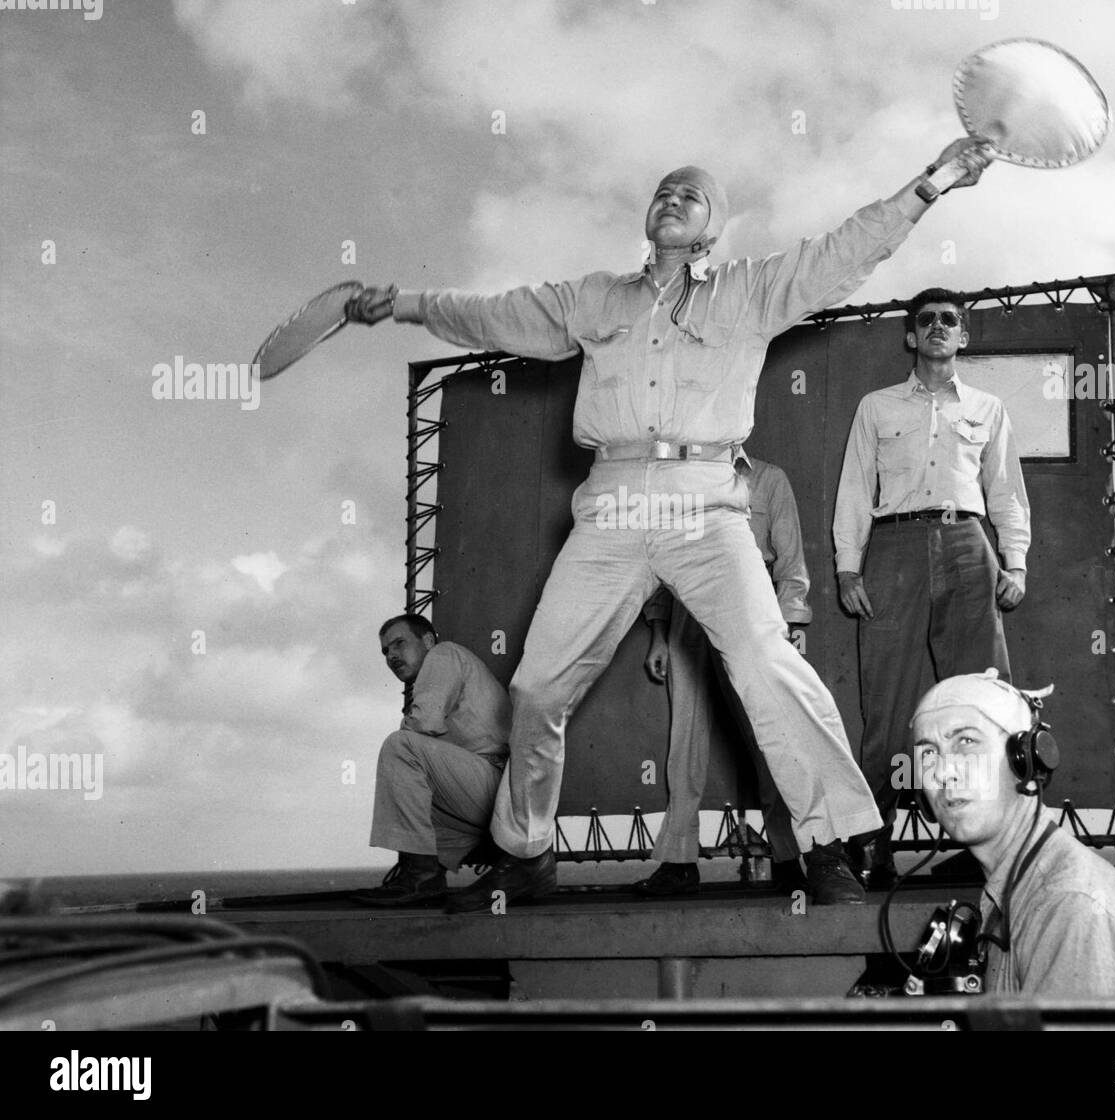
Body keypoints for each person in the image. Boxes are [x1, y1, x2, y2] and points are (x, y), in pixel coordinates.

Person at [346, 139, 995, 911]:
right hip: (613, 502)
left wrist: (936, 181)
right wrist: (409, 305)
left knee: (764, 660)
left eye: (689, 193)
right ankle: (526, 852)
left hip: (706, 500)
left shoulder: (750, 292)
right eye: (662, 191)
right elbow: (497, 315)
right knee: (536, 685)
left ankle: (828, 843)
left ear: (713, 225)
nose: (672, 198)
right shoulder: (596, 299)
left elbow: (846, 250)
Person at [833, 288, 1030, 888]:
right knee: (886, 703)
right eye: (928, 321)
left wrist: (1014, 562)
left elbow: (1005, 490)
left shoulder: (988, 407)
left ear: (962, 337)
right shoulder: (877, 407)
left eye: (951, 320)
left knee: (983, 699)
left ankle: (995, 844)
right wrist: (848, 565)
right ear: (911, 337)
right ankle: (871, 845)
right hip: (893, 547)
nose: (940, 328)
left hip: (968, 545)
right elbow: (853, 489)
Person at [910, 670, 1115, 997]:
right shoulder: (1015, 888)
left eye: (966, 741)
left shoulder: (1070, 907)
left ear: (1026, 761)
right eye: (928, 753)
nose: (942, 771)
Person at [634, 455, 808, 896]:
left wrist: (785, 632)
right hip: (686, 611)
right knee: (684, 741)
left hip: (749, 611)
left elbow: (790, 560)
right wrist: (658, 632)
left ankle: (789, 855)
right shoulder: (678, 479)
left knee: (767, 736)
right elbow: (658, 559)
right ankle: (678, 860)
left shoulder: (770, 479)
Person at [352, 614, 511, 907]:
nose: (392, 656)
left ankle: (421, 877)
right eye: (386, 651)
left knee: (400, 747)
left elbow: (423, 723)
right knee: (411, 776)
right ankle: (422, 877)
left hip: (495, 785)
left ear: (427, 640)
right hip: (482, 799)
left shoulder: (442, 654)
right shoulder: (436, 674)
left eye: (399, 643)